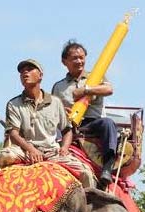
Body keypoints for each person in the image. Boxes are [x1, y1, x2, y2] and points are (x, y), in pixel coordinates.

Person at [0, 58, 95, 188]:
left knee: (85, 172)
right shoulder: (13, 104)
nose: (25, 73)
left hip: (51, 152)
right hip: (24, 151)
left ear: (40, 76)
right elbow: (13, 133)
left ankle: (88, 205)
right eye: (22, 72)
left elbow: (67, 130)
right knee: (3, 156)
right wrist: (31, 150)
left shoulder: (55, 102)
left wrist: (64, 148)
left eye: (30, 70)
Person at [51, 40, 118, 189]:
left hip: (94, 122)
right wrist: (63, 111)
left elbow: (109, 89)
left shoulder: (96, 77)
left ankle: (107, 168)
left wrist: (86, 90)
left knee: (108, 123)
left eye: (82, 57)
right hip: (70, 126)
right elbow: (53, 109)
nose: (79, 61)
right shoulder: (59, 86)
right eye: (74, 58)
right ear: (64, 62)